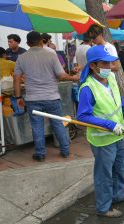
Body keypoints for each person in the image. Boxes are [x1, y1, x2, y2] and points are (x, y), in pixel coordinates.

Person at [77, 45, 124, 217]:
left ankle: (118, 195)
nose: (110, 67)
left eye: (110, 63)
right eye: (105, 64)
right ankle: (103, 207)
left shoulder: (111, 79)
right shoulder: (88, 88)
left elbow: (117, 102)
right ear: (93, 65)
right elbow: (82, 116)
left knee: (119, 168)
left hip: (117, 136)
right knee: (104, 175)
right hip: (102, 140)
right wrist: (109, 125)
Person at [13, 31, 79, 162]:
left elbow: (16, 79)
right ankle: (65, 151)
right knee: (58, 124)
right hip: (52, 97)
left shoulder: (21, 58)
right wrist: (74, 78)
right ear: (42, 41)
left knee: (37, 127)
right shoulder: (51, 55)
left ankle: (40, 153)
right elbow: (61, 75)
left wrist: (18, 97)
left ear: (27, 43)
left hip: (33, 99)